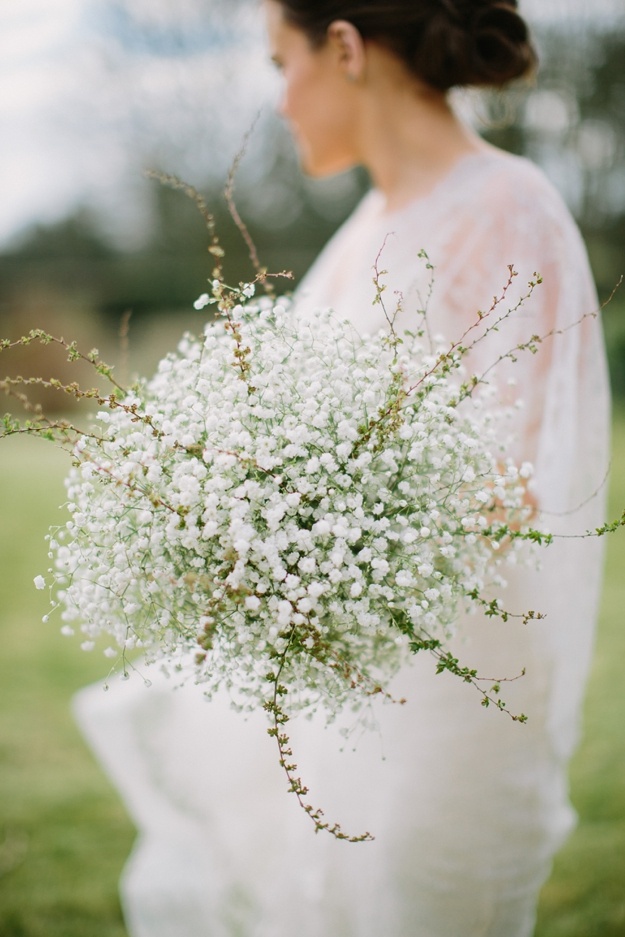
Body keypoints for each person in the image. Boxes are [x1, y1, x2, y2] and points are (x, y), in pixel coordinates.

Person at [74, 2, 611, 935]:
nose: (278, 100)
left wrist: (311, 522)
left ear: (346, 48)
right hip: (343, 672)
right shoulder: (368, 223)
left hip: (453, 684)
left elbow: (530, 468)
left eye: (281, 61)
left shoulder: (506, 206)